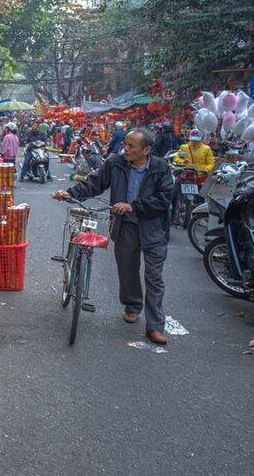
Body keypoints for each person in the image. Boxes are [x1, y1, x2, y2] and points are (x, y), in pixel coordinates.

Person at [53, 128, 174, 345]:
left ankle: (155, 326)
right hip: (125, 226)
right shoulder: (115, 163)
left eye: (131, 146)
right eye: (125, 144)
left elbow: (163, 199)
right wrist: (70, 193)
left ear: (146, 150)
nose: (124, 149)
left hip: (153, 228)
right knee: (127, 269)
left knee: (154, 278)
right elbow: (95, 183)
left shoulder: (161, 168)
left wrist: (133, 206)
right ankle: (132, 305)